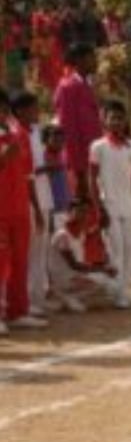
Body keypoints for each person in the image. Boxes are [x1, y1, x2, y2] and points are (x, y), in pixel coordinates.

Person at [0, 87, 45, 333]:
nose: (2, 113)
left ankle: (18, 311)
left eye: (4, 108)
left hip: (19, 208)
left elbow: (28, 176)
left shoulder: (19, 135)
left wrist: (35, 208)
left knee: (19, 261)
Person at [88, 100, 131, 308]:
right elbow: (93, 178)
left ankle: (125, 289)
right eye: (113, 118)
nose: (117, 122)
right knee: (116, 248)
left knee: (129, 247)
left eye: (120, 118)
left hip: (128, 203)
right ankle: (117, 292)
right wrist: (98, 207)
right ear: (105, 121)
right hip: (108, 203)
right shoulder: (98, 147)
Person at [11, 92, 53, 317]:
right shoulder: (18, 134)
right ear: (20, 111)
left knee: (40, 249)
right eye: (33, 108)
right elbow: (27, 173)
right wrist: (35, 208)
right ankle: (26, 299)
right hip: (28, 199)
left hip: (43, 194)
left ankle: (38, 296)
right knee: (29, 252)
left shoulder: (34, 132)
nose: (38, 112)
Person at [47, 197, 121, 312]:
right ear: (70, 213)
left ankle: (68, 298)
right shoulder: (62, 235)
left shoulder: (81, 233)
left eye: (86, 212)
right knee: (105, 283)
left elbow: (95, 229)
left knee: (114, 287)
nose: (84, 215)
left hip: (75, 277)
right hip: (63, 278)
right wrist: (102, 269)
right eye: (80, 211)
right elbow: (74, 265)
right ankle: (64, 296)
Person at [54, 43, 103, 196]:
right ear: (79, 60)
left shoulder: (86, 84)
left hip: (92, 157)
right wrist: (78, 169)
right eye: (91, 58)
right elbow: (67, 128)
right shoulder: (68, 87)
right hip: (81, 162)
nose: (96, 61)